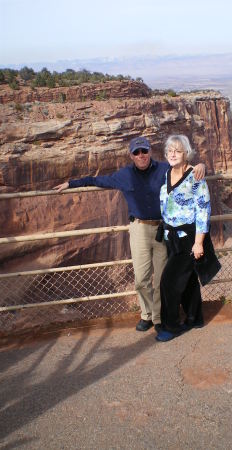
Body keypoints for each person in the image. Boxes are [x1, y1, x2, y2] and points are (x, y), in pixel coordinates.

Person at [53, 136, 205, 333]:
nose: (141, 155)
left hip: (163, 229)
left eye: (144, 151)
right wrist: (71, 183)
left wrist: (201, 165)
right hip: (139, 229)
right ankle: (147, 315)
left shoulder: (164, 169)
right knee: (141, 278)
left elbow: (184, 169)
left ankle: (159, 317)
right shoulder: (123, 175)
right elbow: (96, 180)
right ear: (131, 155)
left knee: (161, 278)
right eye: (136, 152)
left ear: (150, 151)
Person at [156, 134, 215, 342]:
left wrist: (199, 243)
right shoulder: (167, 173)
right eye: (170, 150)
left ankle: (171, 327)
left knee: (168, 282)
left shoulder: (195, 176)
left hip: (188, 237)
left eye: (178, 151)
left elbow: (204, 210)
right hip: (171, 236)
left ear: (186, 153)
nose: (173, 154)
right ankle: (194, 318)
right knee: (189, 280)